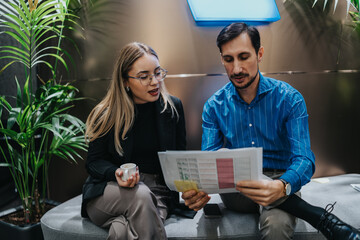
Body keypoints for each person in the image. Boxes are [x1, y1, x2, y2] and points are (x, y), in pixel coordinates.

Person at [181, 23, 360, 240]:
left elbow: (304, 158)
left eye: (244, 56)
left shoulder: (290, 99)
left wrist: (283, 185)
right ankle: (319, 217)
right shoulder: (214, 106)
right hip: (238, 185)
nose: (236, 69)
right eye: (229, 59)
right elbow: (208, 161)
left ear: (260, 53)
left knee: (277, 225)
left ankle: (303, 207)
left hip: (280, 182)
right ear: (222, 59)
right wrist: (198, 190)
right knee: (240, 176)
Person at [81, 42, 187, 240]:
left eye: (157, 73)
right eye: (144, 77)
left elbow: (179, 159)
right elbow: (93, 163)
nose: (154, 82)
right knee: (140, 195)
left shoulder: (172, 108)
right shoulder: (106, 114)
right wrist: (117, 173)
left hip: (157, 192)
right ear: (125, 81)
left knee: (121, 230)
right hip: (108, 192)